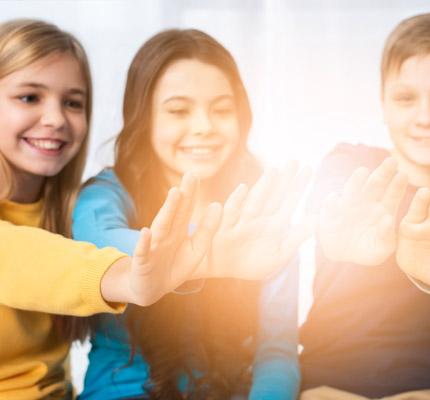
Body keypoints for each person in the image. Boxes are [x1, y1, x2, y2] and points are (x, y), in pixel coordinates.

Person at [0, 19, 227, 399]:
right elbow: (9, 256)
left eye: (73, 102)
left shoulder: (66, 208)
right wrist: (129, 278)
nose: (55, 119)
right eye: (29, 97)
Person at [72, 29, 307, 399]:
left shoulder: (260, 210)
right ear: (144, 117)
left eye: (222, 110)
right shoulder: (106, 197)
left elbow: (276, 353)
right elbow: (102, 247)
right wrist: (213, 251)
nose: (204, 128)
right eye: (179, 111)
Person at [300, 13, 430, 399]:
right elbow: (328, 207)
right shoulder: (349, 163)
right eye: (406, 98)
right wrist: (334, 232)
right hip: (330, 384)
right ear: (383, 104)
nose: (425, 117)